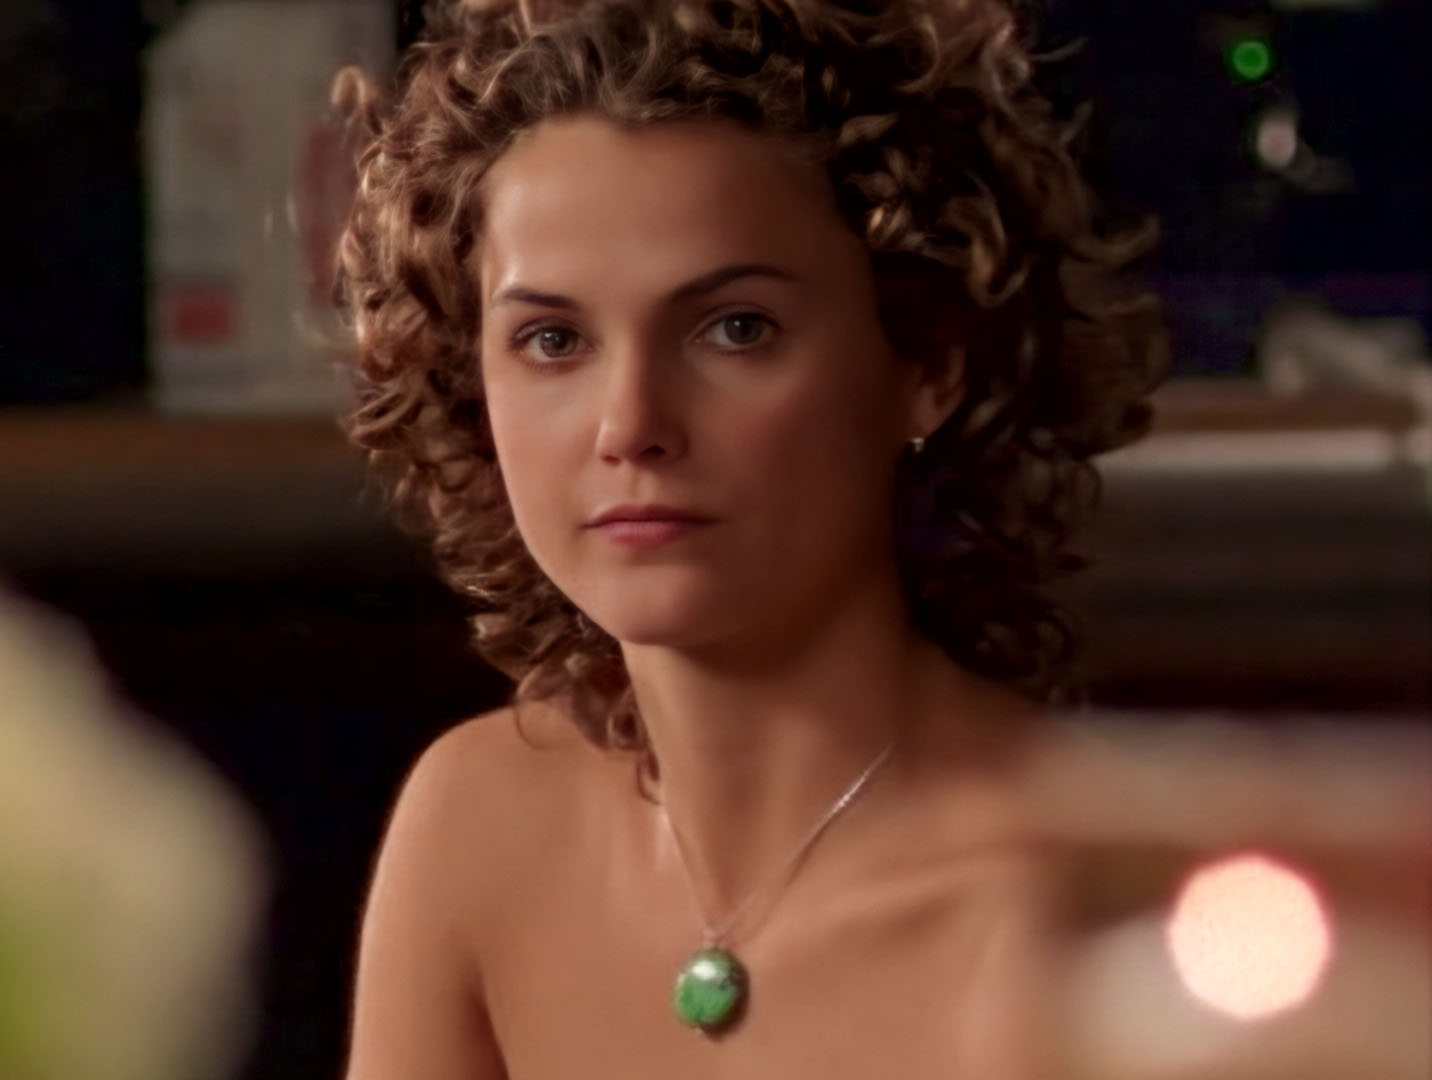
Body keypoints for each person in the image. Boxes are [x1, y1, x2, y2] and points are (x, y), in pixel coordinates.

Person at [329, 0, 1167, 1075]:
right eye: (552, 339)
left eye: (735, 329)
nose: (631, 425)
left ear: (928, 360)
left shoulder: (1095, 898)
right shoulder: (480, 823)